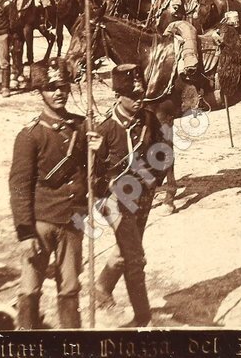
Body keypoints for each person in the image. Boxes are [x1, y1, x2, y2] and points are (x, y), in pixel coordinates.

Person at [8, 58, 95, 329]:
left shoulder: (82, 127)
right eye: (51, 87)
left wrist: (98, 150)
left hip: (72, 221)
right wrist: (25, 232)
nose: (59, 92)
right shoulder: (30, 135)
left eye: (63, 86)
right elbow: (19, 187)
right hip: (41, 222)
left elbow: (95, 175)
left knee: (70, 286)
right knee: (31, 286)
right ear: (40, 91)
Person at [93, 63, 167, 327]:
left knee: (125, 250)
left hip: (143, 196)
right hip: (114, 200)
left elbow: (164, 149)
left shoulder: (149, 119)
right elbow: (93, 174)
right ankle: (142, 317)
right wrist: (108, 194)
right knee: (134, 254)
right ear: (118, 95)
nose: (138, 100)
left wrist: (155, 177)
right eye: (132, 96)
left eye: (141, 94)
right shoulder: (105, 130)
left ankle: (101, 288)